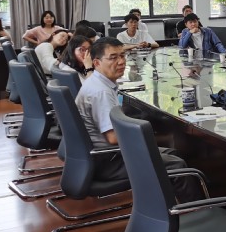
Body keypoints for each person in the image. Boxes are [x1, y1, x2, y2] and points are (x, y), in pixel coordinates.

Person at [75, 38, 198, 202]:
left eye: (122, 55)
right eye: (113, 58)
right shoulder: (100, 92)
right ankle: (195, 210)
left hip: (103, 156)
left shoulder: (97, 82)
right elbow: (113, 138)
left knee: (172, 152)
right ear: (96, 63)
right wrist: (150, 133)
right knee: (176, 164)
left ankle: (163, 202)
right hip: (109, 161)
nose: (121, 62)